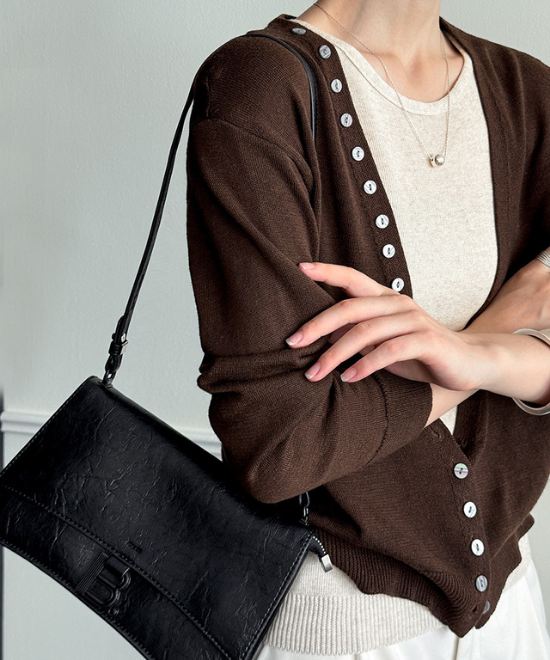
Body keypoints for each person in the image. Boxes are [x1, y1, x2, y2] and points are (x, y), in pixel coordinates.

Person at [185, 1, 550, 657]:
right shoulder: (260, 87)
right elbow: (278, 446)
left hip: (511, 615)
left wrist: (481, 355)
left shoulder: (527, 91)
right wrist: (494, 337)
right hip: (341, 632)